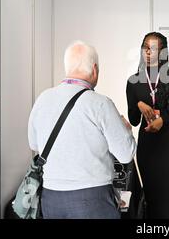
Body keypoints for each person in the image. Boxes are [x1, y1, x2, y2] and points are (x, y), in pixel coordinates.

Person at [28, 41, 136, 219]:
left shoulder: (43, 99)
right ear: (94, 69)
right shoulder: (100, 103)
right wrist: (126, 129)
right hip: (93, 197)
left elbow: (34, 143)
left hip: (51, 196)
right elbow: (125, 155)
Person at [126, 32, 169, 218]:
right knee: (152, 200)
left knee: (168, 200)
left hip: (168, 146)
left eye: (153, 48)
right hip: (147, 148)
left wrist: (164, 119)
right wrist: (138, 104)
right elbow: (134, 121)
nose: (148, 52)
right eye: (145, 47)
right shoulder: (133, 81)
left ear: (163, 52)